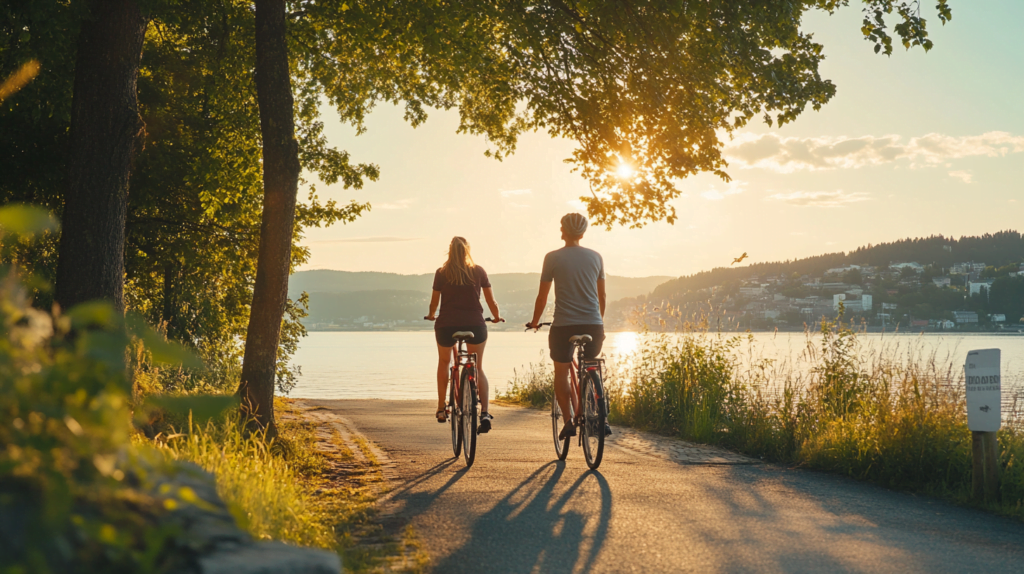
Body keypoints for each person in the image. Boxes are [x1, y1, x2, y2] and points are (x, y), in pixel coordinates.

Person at [527, 213, 611, 440]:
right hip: (594, 324)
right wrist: (598, 321)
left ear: (562, 231)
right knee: (591, 366)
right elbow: (602, 295)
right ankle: (597, 413)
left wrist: (535, 322)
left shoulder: (552, 258)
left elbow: (542, 298)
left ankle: (568, 420)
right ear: (583, 234)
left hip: (564, 325)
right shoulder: (596, 257)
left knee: (562, 373)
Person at [425, 236, 502, 432]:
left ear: (450, 251)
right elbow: (491, 301)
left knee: (444, 362)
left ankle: (442, 408)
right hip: (475, 325)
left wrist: (431, 315)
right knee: (478, 367)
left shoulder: (441, 273)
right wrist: (496, 317)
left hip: (446, 326)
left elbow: (434, 302)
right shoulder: (479, 271)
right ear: (468, 250)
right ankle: (484, 412)